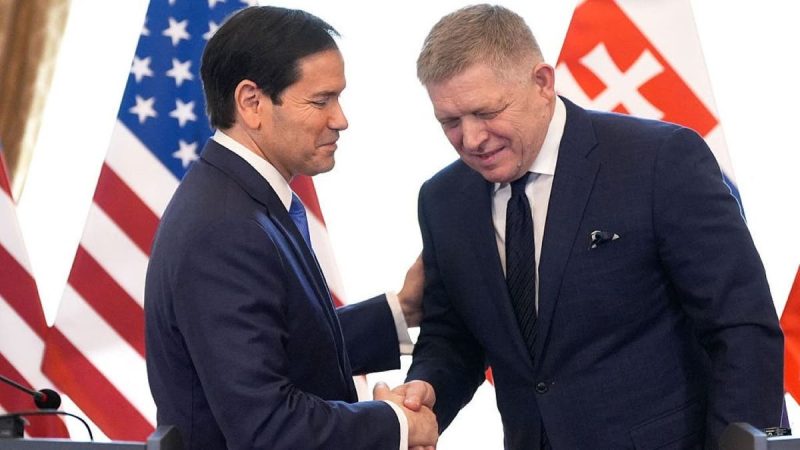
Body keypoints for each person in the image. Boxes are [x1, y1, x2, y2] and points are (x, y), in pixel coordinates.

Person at [393, 4, 784, 449]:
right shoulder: (443, 200)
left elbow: (741, 327)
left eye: (486, 112)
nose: (471, 139)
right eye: (450, 121)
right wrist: (427, 389)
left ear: (542, 83)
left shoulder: (658, 161)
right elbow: (453, 336)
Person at [144, 6, 437, 450]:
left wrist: (401, 310)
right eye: (321, 101)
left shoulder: (240, 200)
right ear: (252, 103)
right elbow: (268, 427)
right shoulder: (225, 230)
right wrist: (396, 424)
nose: (340, 119)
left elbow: (283, 345)